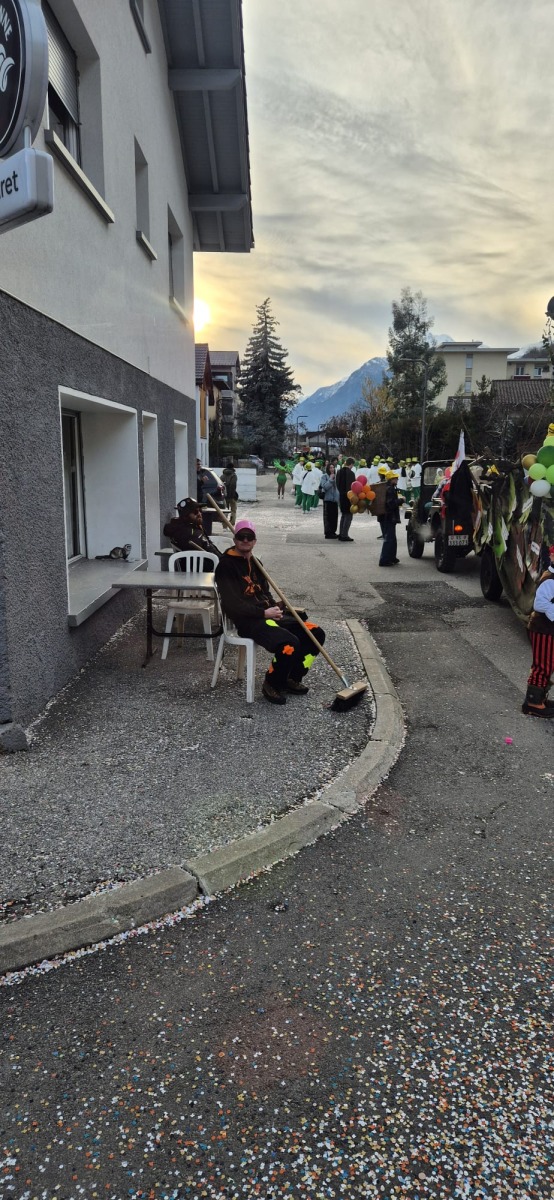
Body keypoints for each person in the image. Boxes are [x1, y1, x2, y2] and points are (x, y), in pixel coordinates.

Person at [215, 519, 326, 705]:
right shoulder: (226, 566)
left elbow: (264, 592)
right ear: (234, 539)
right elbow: (232, 604)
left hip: (268, 615)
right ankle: (272, 683)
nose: (245, 540)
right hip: (249, 621)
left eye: (249, 537)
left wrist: (276, 607)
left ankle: (291, 677)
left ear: (255, 541)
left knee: (315, 632)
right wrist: (263, 614)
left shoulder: (256, 563)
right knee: (289, 643)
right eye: (241, 536)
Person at [522, 555, 554, 717]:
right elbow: (540, 604)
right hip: (543, 629)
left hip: (549, 629)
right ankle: (533, 703)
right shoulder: (550, 579)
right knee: (542, 666)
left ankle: (540, 697)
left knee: (549, 664)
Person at [163, 498, 221, 567]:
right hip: (205, 570)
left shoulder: (193, 527)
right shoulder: (191, 534)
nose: (199, 514)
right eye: (195, 512)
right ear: (185, 516)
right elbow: (200, 563)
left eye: (200, 510)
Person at [379, 471, 402, 566]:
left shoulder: (389, 487)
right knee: (389, 539)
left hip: (387, 517)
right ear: (391, 479)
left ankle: (392, 557)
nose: (397, 479)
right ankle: (384, 560)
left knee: (392, 538)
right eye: (395, 478)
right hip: (389, 517)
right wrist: (401, 500)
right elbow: (391, 504)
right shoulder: (390, 489)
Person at [337, 457, 356, 541]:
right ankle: (344, 535)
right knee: (348, 516)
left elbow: (337, 484)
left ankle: (341, 533)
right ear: (351, 464)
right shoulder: (351, 473)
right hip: (349, 497)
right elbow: (353, 487)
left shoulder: (339, 472)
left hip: (341, 496)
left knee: (343, 515)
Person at [319, 463, 339, 538]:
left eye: (333, 467)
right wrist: (330, 479)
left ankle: (333, 531)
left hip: (335, 500)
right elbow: (324, 486)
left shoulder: (336, 476)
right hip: (328, 499)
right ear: (327, 469)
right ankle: (328, 533)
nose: (332, 469)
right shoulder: (324, 476)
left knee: (334, 517)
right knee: (328, 517)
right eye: (330, 468)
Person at [221, 460, 238, 525]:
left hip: (224, 496)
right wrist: (232, 495)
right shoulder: (233, 475)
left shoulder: (222, 476)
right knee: (233, 510)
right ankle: (231, 524)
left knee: (225, 511)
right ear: (233, 467)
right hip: (232, 496)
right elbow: (233, 486)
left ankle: (224, 526)